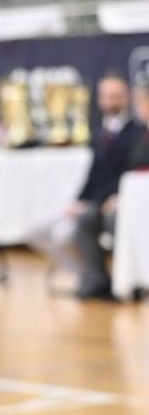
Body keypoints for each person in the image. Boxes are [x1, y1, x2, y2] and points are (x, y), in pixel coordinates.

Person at [31, 73, 141, 299]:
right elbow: (93, 175)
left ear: (126, 97)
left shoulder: (138, 133)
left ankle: (101, 279)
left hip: (115, 203)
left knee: (84, 222)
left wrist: (99, 202)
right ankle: (91, 275)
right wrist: (78, 201)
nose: (110, 101)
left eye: (116, 96)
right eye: (106, 96)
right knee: (41, 230)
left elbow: (129, 172)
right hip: (93, 202)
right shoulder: (98, 133)